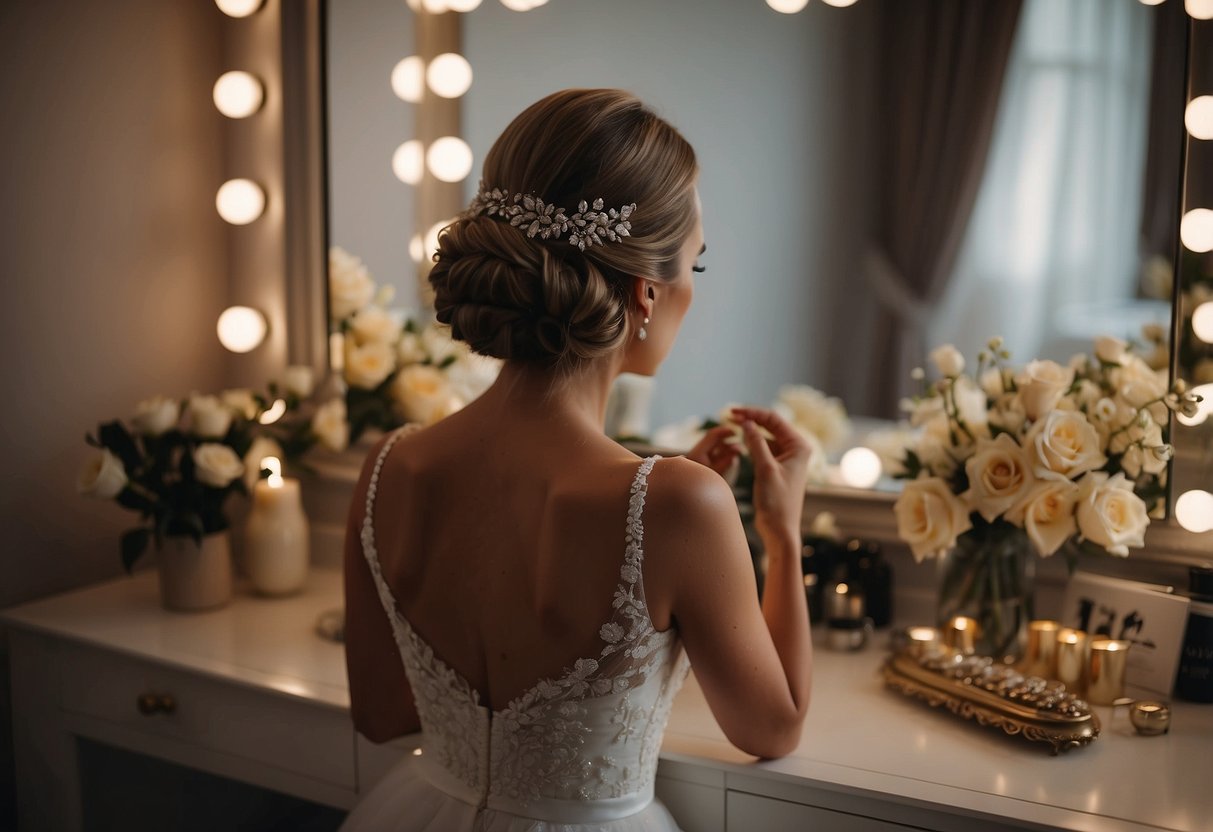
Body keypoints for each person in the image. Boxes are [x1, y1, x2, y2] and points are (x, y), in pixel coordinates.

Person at [342, 88, 813, 831]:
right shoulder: (677, 505)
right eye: (697, 263)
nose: (693, 286)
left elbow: (378, 716)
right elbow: (772, 730)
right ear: (645, 292)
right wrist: (782, 537)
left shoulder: (390, 467)